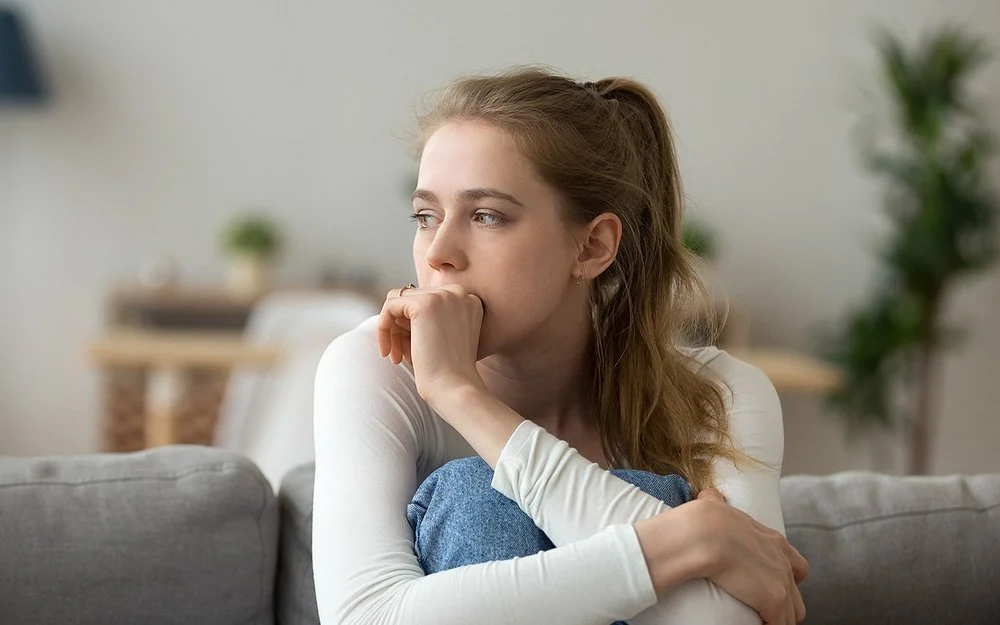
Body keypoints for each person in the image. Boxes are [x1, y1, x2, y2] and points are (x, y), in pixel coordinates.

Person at [312, 67, 809, 625]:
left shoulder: (722, 393)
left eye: (486, 216)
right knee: (473, 497)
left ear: (592, 247)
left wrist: (468, 400)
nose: (438, 253)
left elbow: (740, 619)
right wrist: (687, 540)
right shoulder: (374, 367)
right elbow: (364, 617)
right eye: (426, 216)